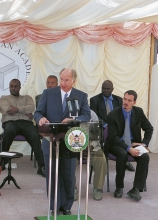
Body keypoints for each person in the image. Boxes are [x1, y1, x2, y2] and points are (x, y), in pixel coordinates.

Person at [34, 68, 90, 215]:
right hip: (50, 139)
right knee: (52, 175)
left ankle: (66, 207)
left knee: (68, 175)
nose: (63, 83)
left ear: (73, 81)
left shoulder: (81, 96)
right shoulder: (48, 93)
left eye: (66, 80)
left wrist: (75, 119)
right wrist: (40, 118)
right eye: (61, 79)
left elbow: (86, 115)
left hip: (71, 141)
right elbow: (38, 112)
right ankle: (54, 206)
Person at [104, 90, 152, 201]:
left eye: (129, 100)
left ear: (134, 102)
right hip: (116, 143)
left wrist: (143, 144)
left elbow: (149, 128)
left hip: (133, 142)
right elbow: (113, 137)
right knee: (122, 154)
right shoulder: (113, 114)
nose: (125, 102)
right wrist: (128, 149)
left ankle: (136, 189)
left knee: (144, 156)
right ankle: (119, 187)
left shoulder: (138, 112)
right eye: (124, 99)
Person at [0, 79, 45, 177]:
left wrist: (17, 109)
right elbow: (7, 109)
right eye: (11, 86)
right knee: (8, 133)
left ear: (20, 87)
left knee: (35, 136)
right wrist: (24, 111)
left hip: (26, 123)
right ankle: (3, 160)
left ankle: (42, 166)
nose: (13, 88)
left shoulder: (27, 98)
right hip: (11, 123)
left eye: (16, 86)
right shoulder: (4, 98)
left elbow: (31, 108)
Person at [90, 80, 135, 172]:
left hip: (117, 129)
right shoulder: (94, 100)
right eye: (104, 88)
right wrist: (107, 125)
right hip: (102, 129)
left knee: (124, 134)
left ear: (112, 89)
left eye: (108, 89)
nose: (105, 90)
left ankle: (124, 159)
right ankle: (100, 162)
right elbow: (94, 116)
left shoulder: (119, 100)